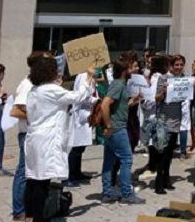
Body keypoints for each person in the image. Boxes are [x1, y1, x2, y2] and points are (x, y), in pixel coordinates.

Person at [24, 57, 94, 222]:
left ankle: (29, 216)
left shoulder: (34, 90)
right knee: (42, 181)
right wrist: (88, 77)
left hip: (34, 137)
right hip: (46, 139)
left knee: (32, 179)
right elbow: (77, 97)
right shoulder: (51, 90)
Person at [100, 59, 145, 205]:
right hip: (117, 129)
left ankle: (107, 193)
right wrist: (108, 125)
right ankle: (126, 194)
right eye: (132, 67)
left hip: (115, 128)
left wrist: (134, 100)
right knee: (127, 160)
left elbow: (121, 105)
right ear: (126, 70)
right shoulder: (118, 85)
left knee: (109, 161)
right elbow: (105, 104)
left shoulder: (118, 85)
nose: (135, 70)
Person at [11, 53, 50, 222]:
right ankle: (19, 210)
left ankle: (25, 210)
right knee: (24, 172)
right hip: (28, 133)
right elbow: (17, 109)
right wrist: (37, 116)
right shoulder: (28, 84)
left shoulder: (34, 83)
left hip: (32, 133)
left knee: (29, 172)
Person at [153, 55, 186, 194]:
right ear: (171, 65)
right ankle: (158, 183)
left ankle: (166, 178)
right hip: (164, 120)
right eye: (176, 64)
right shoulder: (163, 78)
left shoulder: (183, 78)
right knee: (162, 152)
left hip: (176, 120)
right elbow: (157, 98)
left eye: (181, 64)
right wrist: (164, 90)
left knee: (170, 152)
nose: (178, 67)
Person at [65, 69, 98, 187]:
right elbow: (81, 95)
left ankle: (77, 172)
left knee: (81, 146)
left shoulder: (90, 76)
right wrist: (95, 100)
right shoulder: (83, 76)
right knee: (77, 146)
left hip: (86, 114)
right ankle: (70, 175)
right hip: (81, 115)